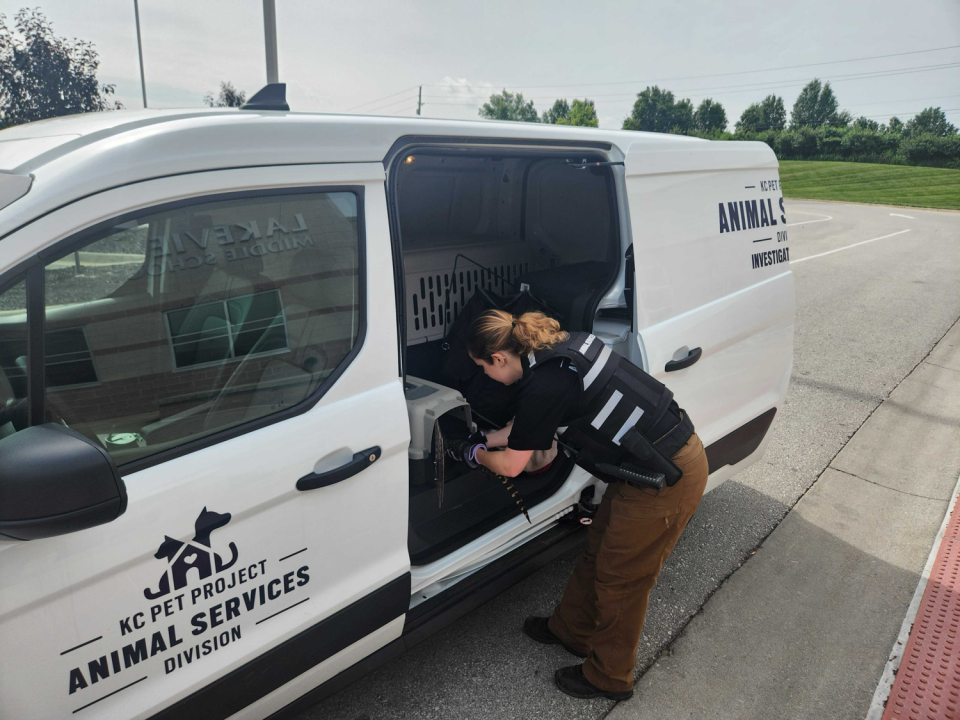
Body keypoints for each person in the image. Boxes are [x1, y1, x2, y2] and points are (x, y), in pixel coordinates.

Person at [449, 309, 710, 701]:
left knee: (622, 580)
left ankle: (609, 677)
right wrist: (485, 437)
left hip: (666, 477)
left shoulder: (544, 385)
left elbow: (513, 464)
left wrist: (474, 454)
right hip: (641, 470)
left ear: (499, 359)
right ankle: (571, 630)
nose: (484, 376)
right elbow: (526, 427)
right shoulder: (556, 349)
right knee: (597, 552)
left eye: (482, 368)